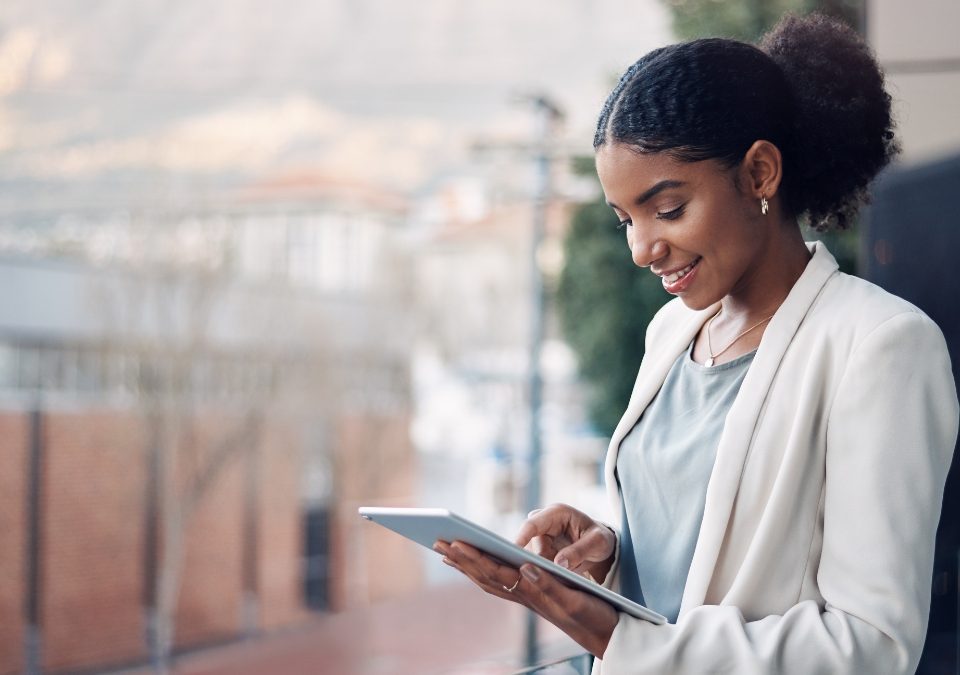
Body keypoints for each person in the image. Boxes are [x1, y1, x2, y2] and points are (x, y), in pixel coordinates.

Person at [433, 12, 959, 674]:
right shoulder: (671, 333)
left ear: (760, 173)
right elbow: (705, 564)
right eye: (625, 218)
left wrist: (619, 639)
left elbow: (871, 645)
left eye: (668, 208)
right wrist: (612, 557)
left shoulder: (881, 347)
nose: (640, 247)